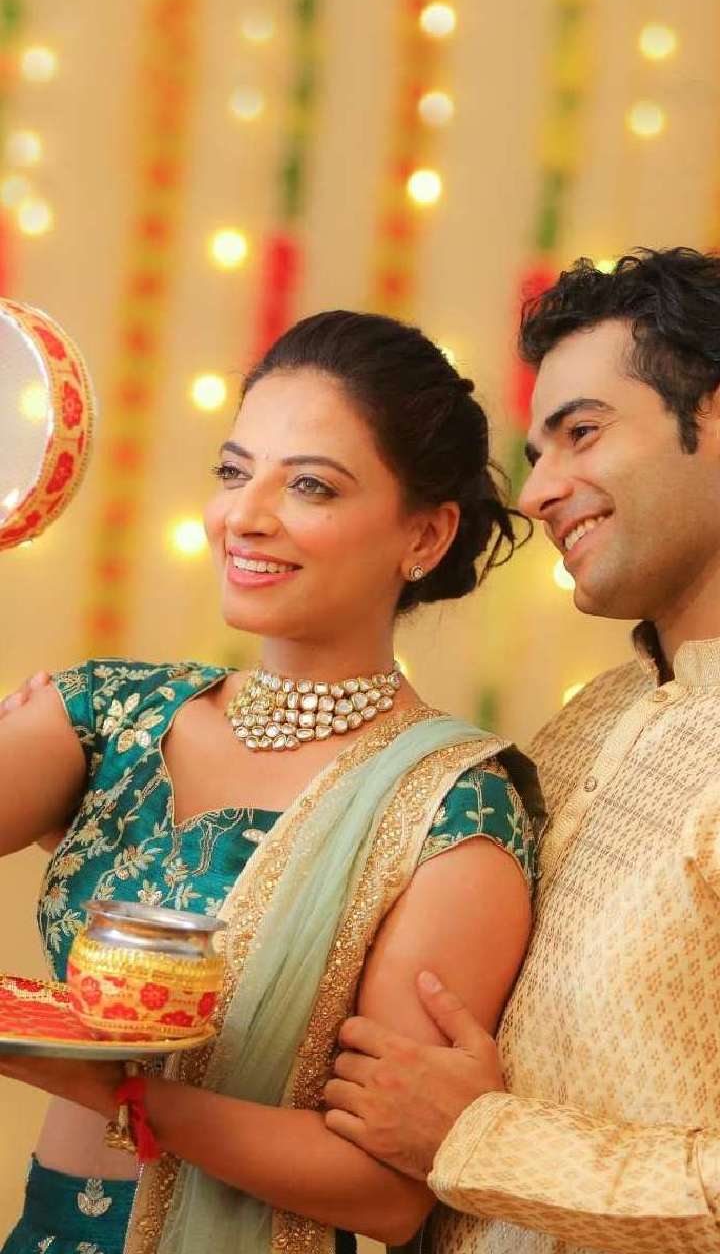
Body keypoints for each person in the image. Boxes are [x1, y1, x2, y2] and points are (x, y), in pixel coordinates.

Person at [0, 310, 540, 1254]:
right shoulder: (111, 716)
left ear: (425, 535)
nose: (244, 516)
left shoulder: (448, 807)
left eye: (310, 485)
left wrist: (109, 1088)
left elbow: (385, 1193)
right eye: (233, 471)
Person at [324, 247, 720, 1253]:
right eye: (538, 452)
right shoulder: (586, 723)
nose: (539, 492)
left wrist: (477, 1137)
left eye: (583, 433)